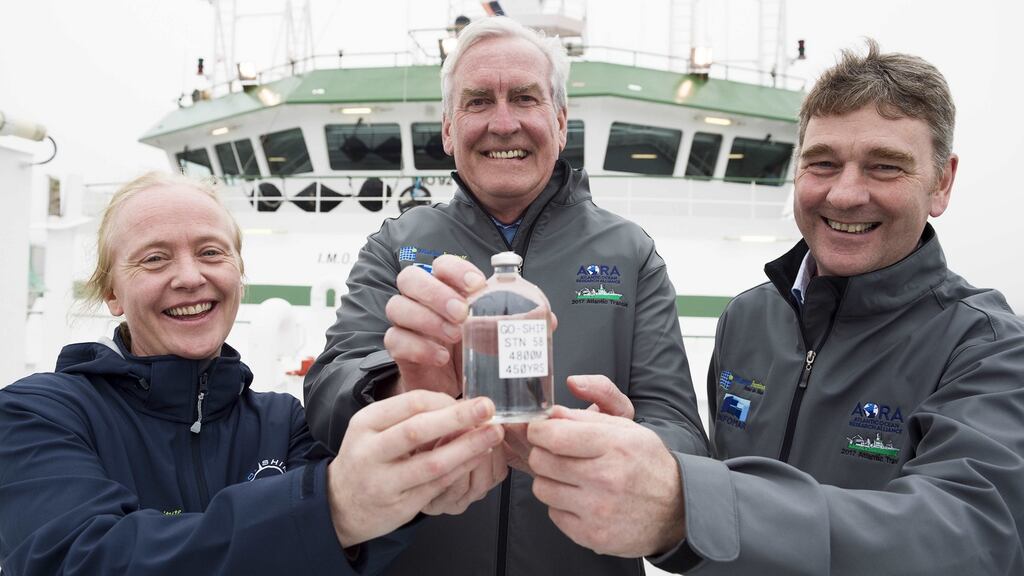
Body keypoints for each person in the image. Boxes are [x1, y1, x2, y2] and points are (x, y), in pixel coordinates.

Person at [525, 39, 1024, 574]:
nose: (845, 194)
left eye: (885, 167)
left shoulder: (988, 350)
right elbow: (713, 482)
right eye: (822, 163)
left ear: (942, 183)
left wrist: (683, 503)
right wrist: (648, 454)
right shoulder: (747, 319)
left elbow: (969, 537)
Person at [303, 15, 709, 576]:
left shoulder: (630, 252)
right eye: (477, 102)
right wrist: (398, 385)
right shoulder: (396, 246)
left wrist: (634, 447)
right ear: (448, 130)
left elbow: (680, 426)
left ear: (561, 123)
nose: (503, 123)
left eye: (524, 98)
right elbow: (328, 389)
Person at [0, 172, 506, 576]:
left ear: (238, 271)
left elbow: (369, 545)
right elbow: (78, 558)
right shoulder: (37, 413)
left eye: (211, 252)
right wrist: (328, 510)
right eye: (155, 259)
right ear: (112, 294)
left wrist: (425, 429)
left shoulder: (284, 422)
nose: (190, 276)